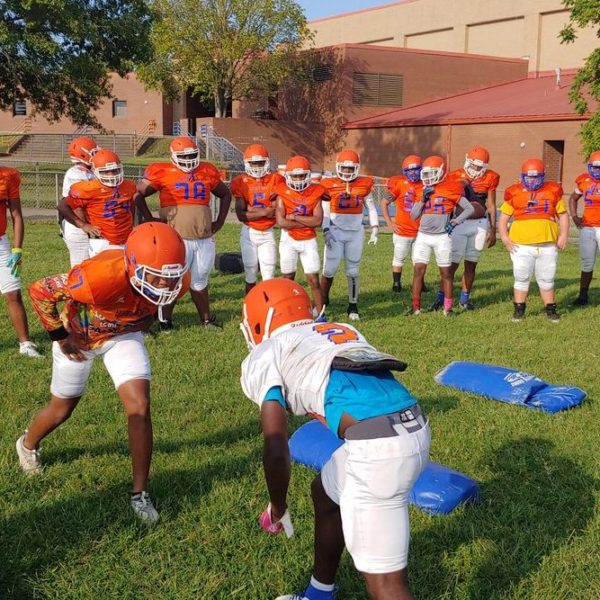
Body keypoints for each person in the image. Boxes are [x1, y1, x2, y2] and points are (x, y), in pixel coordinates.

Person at [240, 278, 430, 600]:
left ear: (258, 324)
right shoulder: (339, 328)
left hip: (379, 448)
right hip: (413, 424)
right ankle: (319, 593)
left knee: (386, 585)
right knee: (327, 493)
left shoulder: (269, 350)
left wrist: (278, 504)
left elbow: (275, 444)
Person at [17, 222, 189, 523]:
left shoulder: (175, 278)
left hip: (121, 336)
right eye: (157, 278)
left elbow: (148, 310)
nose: (165, 285)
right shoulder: (98, 277)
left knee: (140, 407)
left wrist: (138, 326)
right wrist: (59, 336)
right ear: (133, 265)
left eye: (169, 278)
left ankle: (140, 493)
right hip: (79, 338)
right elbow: (40, 291)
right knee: (61, 410)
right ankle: (28, 444)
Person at [135, 136, 232, 331]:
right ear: (173, 156)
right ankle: (165, 322)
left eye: (192, 155)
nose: (188, 160)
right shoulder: (161, 171)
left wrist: (220, 220)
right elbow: (138, 195)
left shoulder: (207, 170)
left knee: (200, 280)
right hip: (176, 239)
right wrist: (149, 218)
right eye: (183, 156)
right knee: (171, 281)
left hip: (203, 237)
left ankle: (206, 320)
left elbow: (225, 193)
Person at [499, 158, 568, 322]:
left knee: (547, 277)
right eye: (529, 177)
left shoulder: (553, 190)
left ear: (542, 176)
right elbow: (503, 219)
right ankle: (519, 310)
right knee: (521, 277)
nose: (532, 180)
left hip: (547, 245)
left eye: (536, 177)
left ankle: (550, 310)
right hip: (521, 245)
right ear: (522, 177)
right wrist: (504, 237)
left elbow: (563, 215)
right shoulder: (514, 192)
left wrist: (564, 235)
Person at [431, 146, 500, 310]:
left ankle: (464, 299)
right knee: (451, 264)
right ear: (467, 161)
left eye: (480, 166)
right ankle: (442, 298)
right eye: (474, 165)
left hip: (480, 224)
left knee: (471, 264)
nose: (476, 169)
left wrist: (493, 229)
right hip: (459, 223)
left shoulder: (490, 177)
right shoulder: (454, 176)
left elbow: (491, 205)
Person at [408, 155, 475, 316]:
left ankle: (448, 308)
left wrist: (455, 221)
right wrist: (423, 199)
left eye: (432, 173)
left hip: (442, 237)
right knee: (418, 271)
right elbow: (413, 215)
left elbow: (469, 209)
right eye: (426, 173)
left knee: (446, 273)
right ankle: (416, 307)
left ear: (441, 172)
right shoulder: (422, 190)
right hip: (423, 236)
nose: (428, 177)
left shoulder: (452, 187)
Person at [320, 149, 379, 321]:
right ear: (338, 167)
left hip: (355, 233)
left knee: (353, 271)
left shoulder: (364, 184)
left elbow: (371, 208)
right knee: (329, 269)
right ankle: (322, 301)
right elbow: (324, 210)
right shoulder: (328, 184)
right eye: (344, 168)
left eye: (350, 168)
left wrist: (374, 228)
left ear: (357, 167)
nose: (346, 172)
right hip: (336, 232)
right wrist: (326, 230)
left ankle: (353, 306)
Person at [58, 149, 135, 257]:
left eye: (115, 170)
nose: (111, 175)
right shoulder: (87, 189)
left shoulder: (129, 186)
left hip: (126, 238)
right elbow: (63, 206)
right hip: (101, 240)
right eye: (105, 171)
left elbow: (131, 205)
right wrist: (83, 225)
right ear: (95, 171)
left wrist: (132, 223)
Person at [275, 156, 326, 315]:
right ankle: (287, 309)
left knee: (313, 279)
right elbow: (281, 223)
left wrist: (295, 217)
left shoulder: (316, 192)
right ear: (288, 176)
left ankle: (321, 312)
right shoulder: (281, 192)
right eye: (295, 176)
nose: (298, 179)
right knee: (288, 277)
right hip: (288, 239)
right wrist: (306, 221)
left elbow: (317, 220)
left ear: (308, 175)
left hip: (309, 240)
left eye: (302, 175)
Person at [0, 164, 41, 357]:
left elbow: (16, 215)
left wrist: (17, 248)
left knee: (13, 293)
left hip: (0, 244)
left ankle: (25, 344)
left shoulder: (7, 176)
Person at [231, 144, 283, 293]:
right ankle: (250, 305)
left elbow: (275, 211)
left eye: (260, 163)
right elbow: (241, 214)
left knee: (269, 273)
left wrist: (251, 209)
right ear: (247, 163)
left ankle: (268, 305)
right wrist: (264, 212)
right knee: (250, 272)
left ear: (266, 162)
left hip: (268, 232)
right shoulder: (240, 182)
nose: (257, 166)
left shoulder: (275, 179)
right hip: (249, 232)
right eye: (254, 163)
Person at [381, 155, 423, 294]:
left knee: (419, 259)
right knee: (399, 257)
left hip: (420, 231)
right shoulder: (399, 184)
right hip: (402, 230)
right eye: (410, 170)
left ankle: (420, 284)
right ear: (404, 171)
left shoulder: (426, 184)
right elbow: (384, 202)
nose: (413, 173)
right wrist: (389, 222)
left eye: (416, 169)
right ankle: (396, 284)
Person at [60, 136, 98, 266]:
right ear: (83, 154)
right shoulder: (76, 174)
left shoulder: (89, 171)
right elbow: (76, 206)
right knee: (80, 269)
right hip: (78, 227)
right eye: (93, 152)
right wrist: (84, 225)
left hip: (87, 225)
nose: (96, 154)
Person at [568, 150, 600, 306]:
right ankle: (583, 296)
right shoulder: (584, 180)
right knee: (587, 263)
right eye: (595, 167)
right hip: (587, 227)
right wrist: (574, 217)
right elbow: (573, 199)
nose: (597, 170)